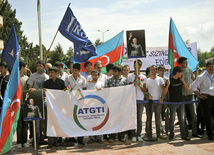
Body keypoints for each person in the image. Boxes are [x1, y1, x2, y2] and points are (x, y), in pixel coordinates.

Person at [178, 57, 202, 138]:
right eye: (184, 62)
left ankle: (195, 132)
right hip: (181, 96)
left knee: (194, 115)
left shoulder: (189, 71)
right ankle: (185, 133)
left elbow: (194, 80)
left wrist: (197, 72)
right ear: (180, 64)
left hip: (191, 95)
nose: (186, 64)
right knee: (183, 116)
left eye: (186, 62)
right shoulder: (178, 72)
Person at [43, 66, 66, 148]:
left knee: (57, 123)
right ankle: (50, 142)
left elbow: (64, 93)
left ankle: (56, 141)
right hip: (49, 105)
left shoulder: (61, 82)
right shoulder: (46, 83)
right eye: (49, 73)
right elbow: (44, 94)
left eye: (52, 72)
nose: (50, 74)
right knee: (49, 124)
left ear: (57, 73)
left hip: (59, 106)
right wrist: (44, 91)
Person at [104, 64, 128, 143]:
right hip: (112, 104)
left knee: (121, 120)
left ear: (120, 72)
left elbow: (127, 92)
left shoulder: (124, 80)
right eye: (113, 71)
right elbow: (106, 91)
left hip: (121, 104)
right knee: (112, 120)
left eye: (115, 71)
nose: (113, 72)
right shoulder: (109, 80)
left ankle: (121, 136)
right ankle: (112, 136)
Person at [144, 65, 169, 140]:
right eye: (151, 69)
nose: (152, 71)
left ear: (156, 70)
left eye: (154, 69)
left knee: (158, 118)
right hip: (150, 102)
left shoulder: (160, 79)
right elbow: (144, 91)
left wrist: (161, 98)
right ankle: (148, 134)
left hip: (158, 101)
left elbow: (164, 90)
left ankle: (159, 133)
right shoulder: (147, 80)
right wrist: (147, 96)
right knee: (149, 118)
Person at [27, 60, 49, 148]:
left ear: (43, 67)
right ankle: (36, 140)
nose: (38, 67)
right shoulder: (33, 76)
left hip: (45, 101)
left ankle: (42, 139)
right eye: (37, 66)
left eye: (40, 66)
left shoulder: (47, 76)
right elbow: (29, 87)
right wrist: (32, 89)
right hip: (35, 102)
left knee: (44, 122)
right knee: (36, 123)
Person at [192, 61, 214, 140]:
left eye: (213, 66)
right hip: (206, 99)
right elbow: (193, 85)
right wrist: (199, 95)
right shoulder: (202, 76)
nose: (211, 68)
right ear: (206, 67)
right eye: (210, 66)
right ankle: (210, 134)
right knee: (207, 118)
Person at [65, 63, 87, 145]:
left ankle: (80, 138)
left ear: (79, 71)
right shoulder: (68, 78)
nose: (74, 72)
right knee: (71, 119)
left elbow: (85, 90)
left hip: (80, 102)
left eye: (76, 70)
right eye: (73, 70)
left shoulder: (83, 79)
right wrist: (68, 89)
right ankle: (71, 137)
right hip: (70, 101)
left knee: (80, 120)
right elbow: (65, 87)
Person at [168, 66, 190, 141]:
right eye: (181, 73)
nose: (182, 74)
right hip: (173, 103)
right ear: (177, 73)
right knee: (172, 120)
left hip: (181, 102)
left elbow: (187, 88)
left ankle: (183, 135)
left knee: (182, 120)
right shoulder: (170, 80)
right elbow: (166, 92)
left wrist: (182, 80)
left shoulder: (180, 80)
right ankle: (171, 135)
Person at [128, 60, 146, 142]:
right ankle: (133, 135)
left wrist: (140, 83)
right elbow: (131, 86)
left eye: (137, 65)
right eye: (134, 65)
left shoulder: (144, 77)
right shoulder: (130, 76)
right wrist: (136, 78)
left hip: (140, 99)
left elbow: (144, 89)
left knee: (139, 118)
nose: (136, 67)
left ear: (140, 67)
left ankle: (139, 134)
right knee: (133, 118)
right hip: (132, 100)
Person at [86, 70, 104, 144]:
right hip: (90, 105)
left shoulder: (101, 84)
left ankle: (99, 138)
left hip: (99, 105)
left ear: (98, 75)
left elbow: (105, 93)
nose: (94, 76)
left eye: (96, 75)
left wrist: (101, 90)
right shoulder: (88, 84)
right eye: (93, 75)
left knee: (99, 121)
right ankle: (91, 138)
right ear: (91, 75)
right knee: (90, 121)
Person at [17, 60, 29, 149]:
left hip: (25, 104)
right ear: (22, 67)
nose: (26, 69)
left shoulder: (27, 78)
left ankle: (25, 141)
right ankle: (19, 142)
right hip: (17, 105)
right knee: (19, 124)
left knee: (25, 124)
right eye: (25, 67)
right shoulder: (14, 78)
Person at [158, 65, 170, 136]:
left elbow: (168, 91)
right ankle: (160, 130)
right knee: (158, 116)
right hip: (158, 100)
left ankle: (167, 130)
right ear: (158, 71)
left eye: (163, 70)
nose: (162, 71)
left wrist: (168, 100)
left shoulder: (166, 79)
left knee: (167, 115)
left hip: (165, 100)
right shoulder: (155, 78)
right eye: (161, 70)